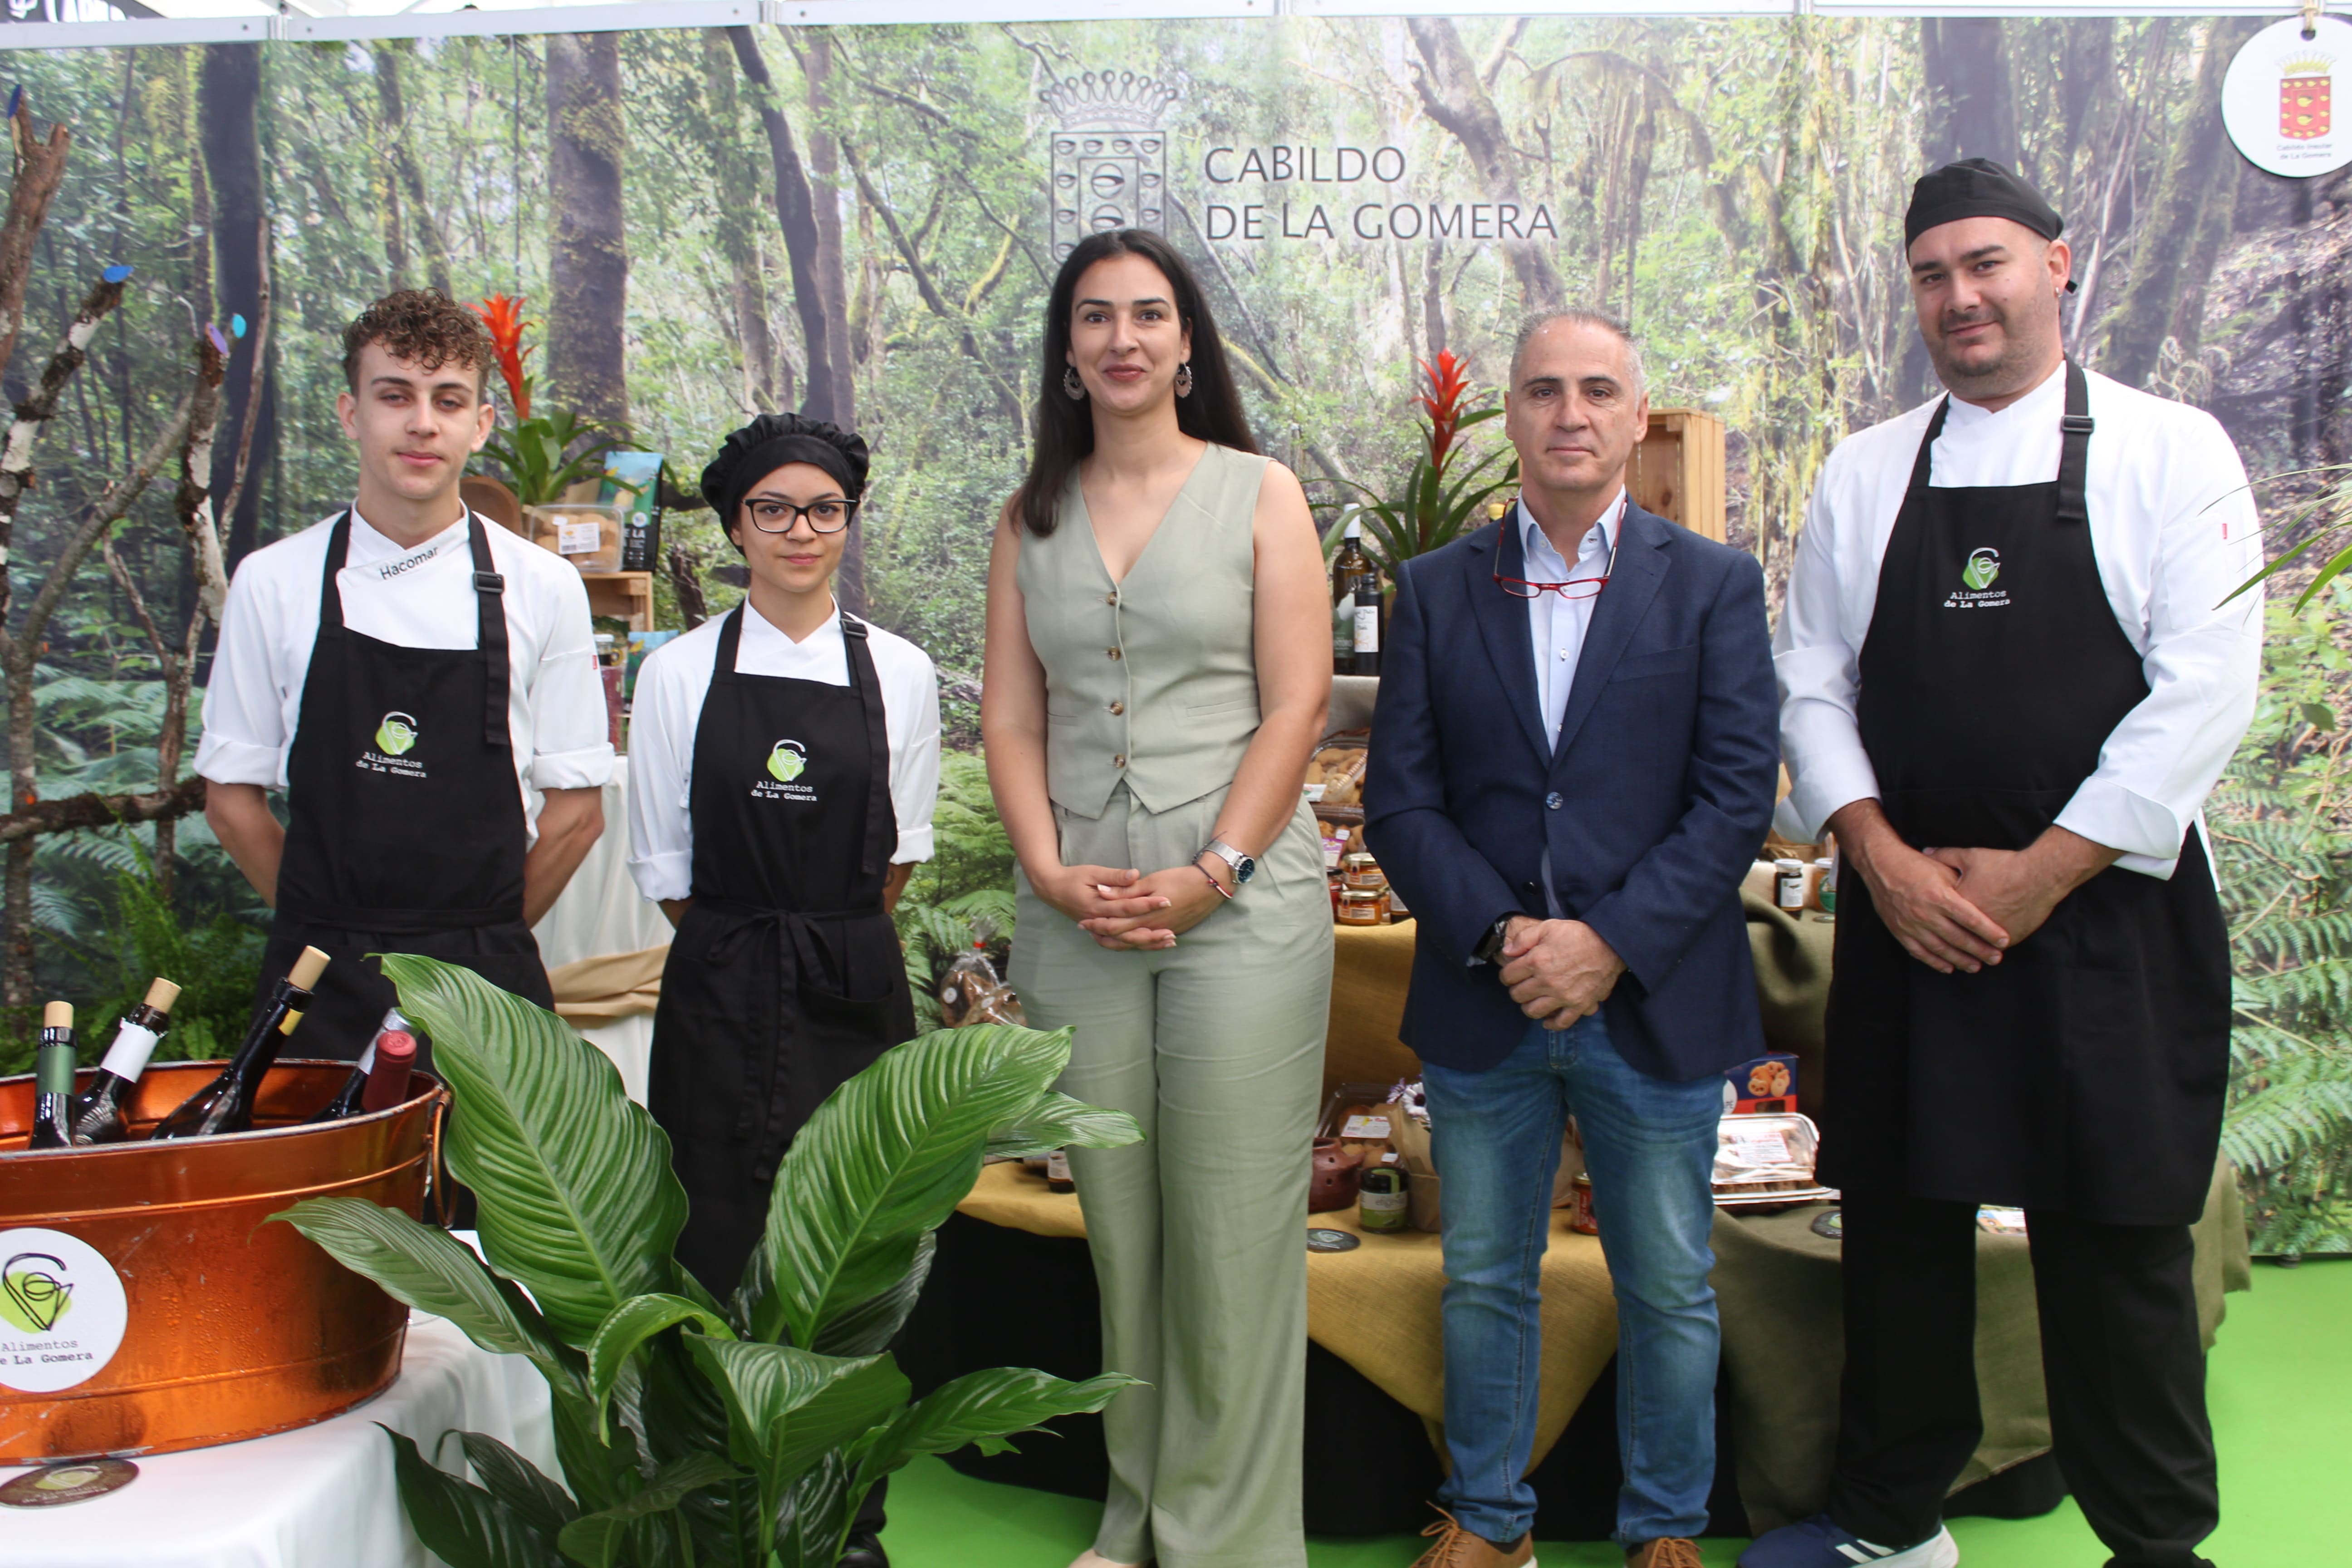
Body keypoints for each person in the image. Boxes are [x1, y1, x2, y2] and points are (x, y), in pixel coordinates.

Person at [1743, 160, 2261, 1568]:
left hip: (2109, 929)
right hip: (1911, 918)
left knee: (2116, 1260)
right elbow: (1810, 685)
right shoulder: (1866, 470)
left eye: (1987, 264)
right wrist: (1882, 861)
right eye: (1931, 275)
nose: (1960, 297)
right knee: (1903, 1240)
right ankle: (1890, 1530)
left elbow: (2207, 687)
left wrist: (2042, 871)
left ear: (2058, 263)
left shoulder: (2173, 452)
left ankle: (2154, 1546)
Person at [1364, 310, 1780, 1568]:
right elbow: (1402, 800)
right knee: (1485, 1278)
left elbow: (1733, 796)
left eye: (1598, 390)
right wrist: (1503, 937)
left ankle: (1664, 1526)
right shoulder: (1437, 590)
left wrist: (1604, 941)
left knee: (1668, 1285)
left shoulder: (1711, 584)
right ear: (1511, 415)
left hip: (1653, 999)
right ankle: (1490, 1520)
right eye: (1543, 390)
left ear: (1633, 414)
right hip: (1487, 1005)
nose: (1570, 414)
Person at [982, 228, 1333, 1568]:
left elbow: (1298, 701)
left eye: (1148, 314)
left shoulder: (1259, 492)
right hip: (1081, 915)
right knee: (1122, 1231)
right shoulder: (1033, 516)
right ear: (1067, 353)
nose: (1122, 338)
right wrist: (1049, 868)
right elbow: (1012, 721)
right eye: (1094, 318)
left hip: (1239, 908)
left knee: (1235, 1232)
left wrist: (1213, 873)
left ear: (1189, 341)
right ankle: (1137, 1518)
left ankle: (1231, 1543)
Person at [627, 412, 938, 1568]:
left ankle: (847, 1528)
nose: (800, 531)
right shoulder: (674, 672)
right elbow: (663, 864)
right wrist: (747, 951)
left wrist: (826, 942)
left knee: (851, 1252)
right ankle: (719, 1515)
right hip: (718, 974)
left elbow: (896, 855)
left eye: (823, 510)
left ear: (847, 525)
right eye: (773, 509)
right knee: (714, 1237)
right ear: (735, 528)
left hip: (851, 981)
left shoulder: (898, 672)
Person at [199, 289, 612, 1054]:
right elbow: (231, 801)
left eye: (449, 400)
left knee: (495, 1181)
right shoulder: (274, 579)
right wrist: (324, 924)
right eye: (396, 396)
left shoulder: (543, 585)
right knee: (327, 1179)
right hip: (320, 981)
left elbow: (578, 814)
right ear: (352, 413)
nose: (423, 422)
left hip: (488, 987)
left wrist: (477, 942)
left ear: (480, 424)